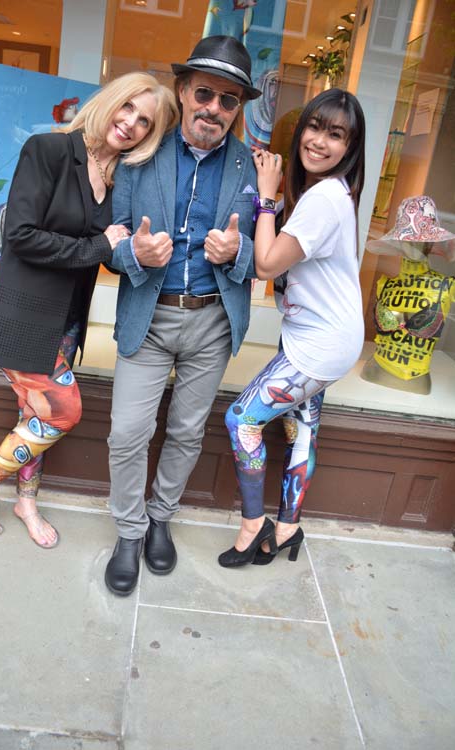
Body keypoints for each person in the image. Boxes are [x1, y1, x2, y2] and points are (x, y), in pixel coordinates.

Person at [0, 72, 178, 548]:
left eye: (145, 122)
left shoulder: (120, 179)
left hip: (66, 318)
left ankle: (27, 502)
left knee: (32, 414)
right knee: (62, 411)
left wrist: (134, 252)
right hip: (22, 314)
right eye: (128, 109)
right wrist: (101, 245)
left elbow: (110, 253)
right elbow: (19, 235)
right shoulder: (50, 151)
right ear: (109, 103)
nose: (131, 124)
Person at [105, 35, 261, 595]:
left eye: (228, 100)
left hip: (213, 321)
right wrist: (133, 255)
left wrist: (237, 255)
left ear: (238, 109)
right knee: (128, 431)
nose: (213, 109)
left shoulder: (254, 167)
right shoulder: (141, 153)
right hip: (150, 315)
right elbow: (113, 242)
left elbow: (264, 257)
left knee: (187, 431)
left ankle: (160, 519)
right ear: (182, 90)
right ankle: (128, 530)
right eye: (204, 93)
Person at [219, 88, 366, 568]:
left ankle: (253, 523)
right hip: (324, 334)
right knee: (303, 426)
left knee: (242, 421)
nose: (320, 141)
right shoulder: (331, 193)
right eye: (315, 127)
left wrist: (264, 197)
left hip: (320, 343)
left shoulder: (324, 197)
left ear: (351, 148)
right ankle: (287, 527)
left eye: (336, 134)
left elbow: (265, 263)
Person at [361, 195, 455, 395]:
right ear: (398, 241)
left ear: (431, 243)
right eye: (408, 238)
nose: (414, 244)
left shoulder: (446, 286)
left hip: (416, 381)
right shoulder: (385, 285)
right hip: (374, 372)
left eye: (421, 239)